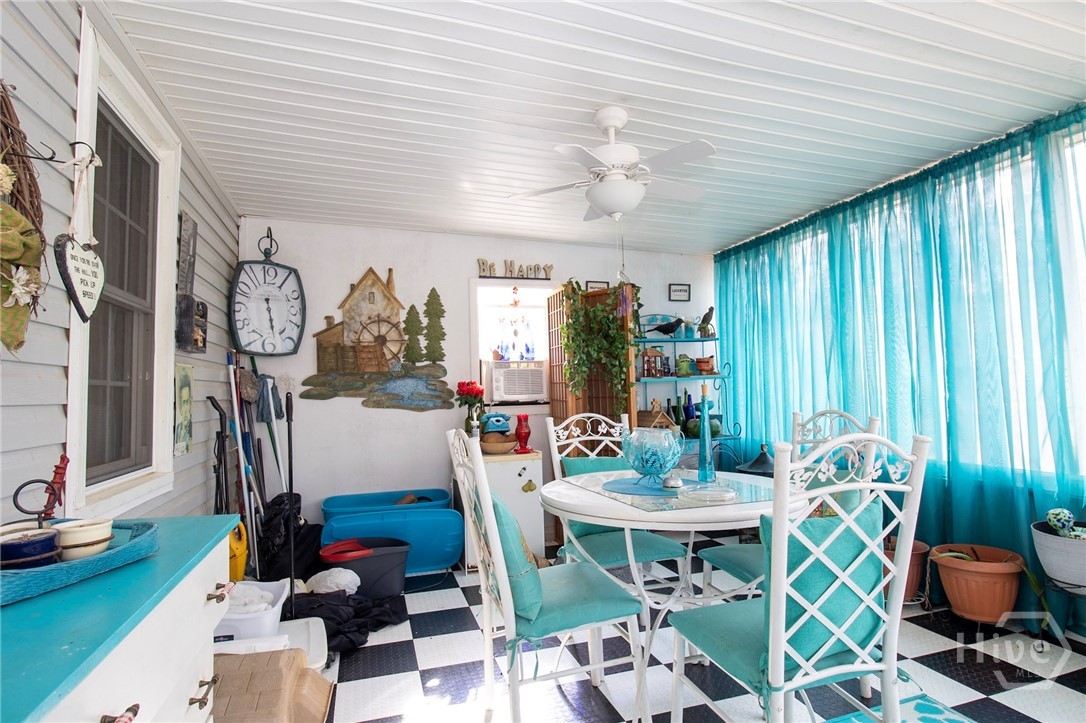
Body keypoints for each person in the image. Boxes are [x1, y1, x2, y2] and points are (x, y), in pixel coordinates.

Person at [175, 368, 193, 454]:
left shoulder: (189, 432)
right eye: (183, 402)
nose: (185, 409)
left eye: (187, 402)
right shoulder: (178, 428)